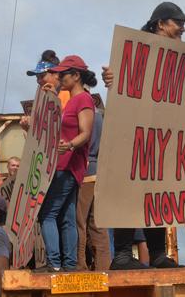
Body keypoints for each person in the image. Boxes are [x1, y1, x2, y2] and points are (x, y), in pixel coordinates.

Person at [102, 2, 185, 270]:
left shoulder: (182, 59)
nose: (182, 28)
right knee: (129, 190)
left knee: (156, 190)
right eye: (177, 22)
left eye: (184, 23)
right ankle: (122, 254)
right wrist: (112, 77)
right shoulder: (137, 50)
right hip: (133, 133)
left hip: (161, 138)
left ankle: (157, 253)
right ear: (160, 24)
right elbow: (121, 79)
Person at [37, 55, 96, 272]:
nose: (59, 77)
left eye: (63, 74)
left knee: (47, 214)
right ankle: (69, 264)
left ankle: (54, 264)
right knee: (67, 216)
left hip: (67, 166)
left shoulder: (83, 100)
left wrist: (69, 145)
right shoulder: (72, 100)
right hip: (68, 165)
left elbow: (86, 133)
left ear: (76, 75)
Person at [76, 93, 111, 271]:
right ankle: (104, 267)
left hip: (83, 171)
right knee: (97, 224)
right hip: (97, 171)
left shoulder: (82, 112)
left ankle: (79, 266)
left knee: (78, 222)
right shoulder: (99, 114)